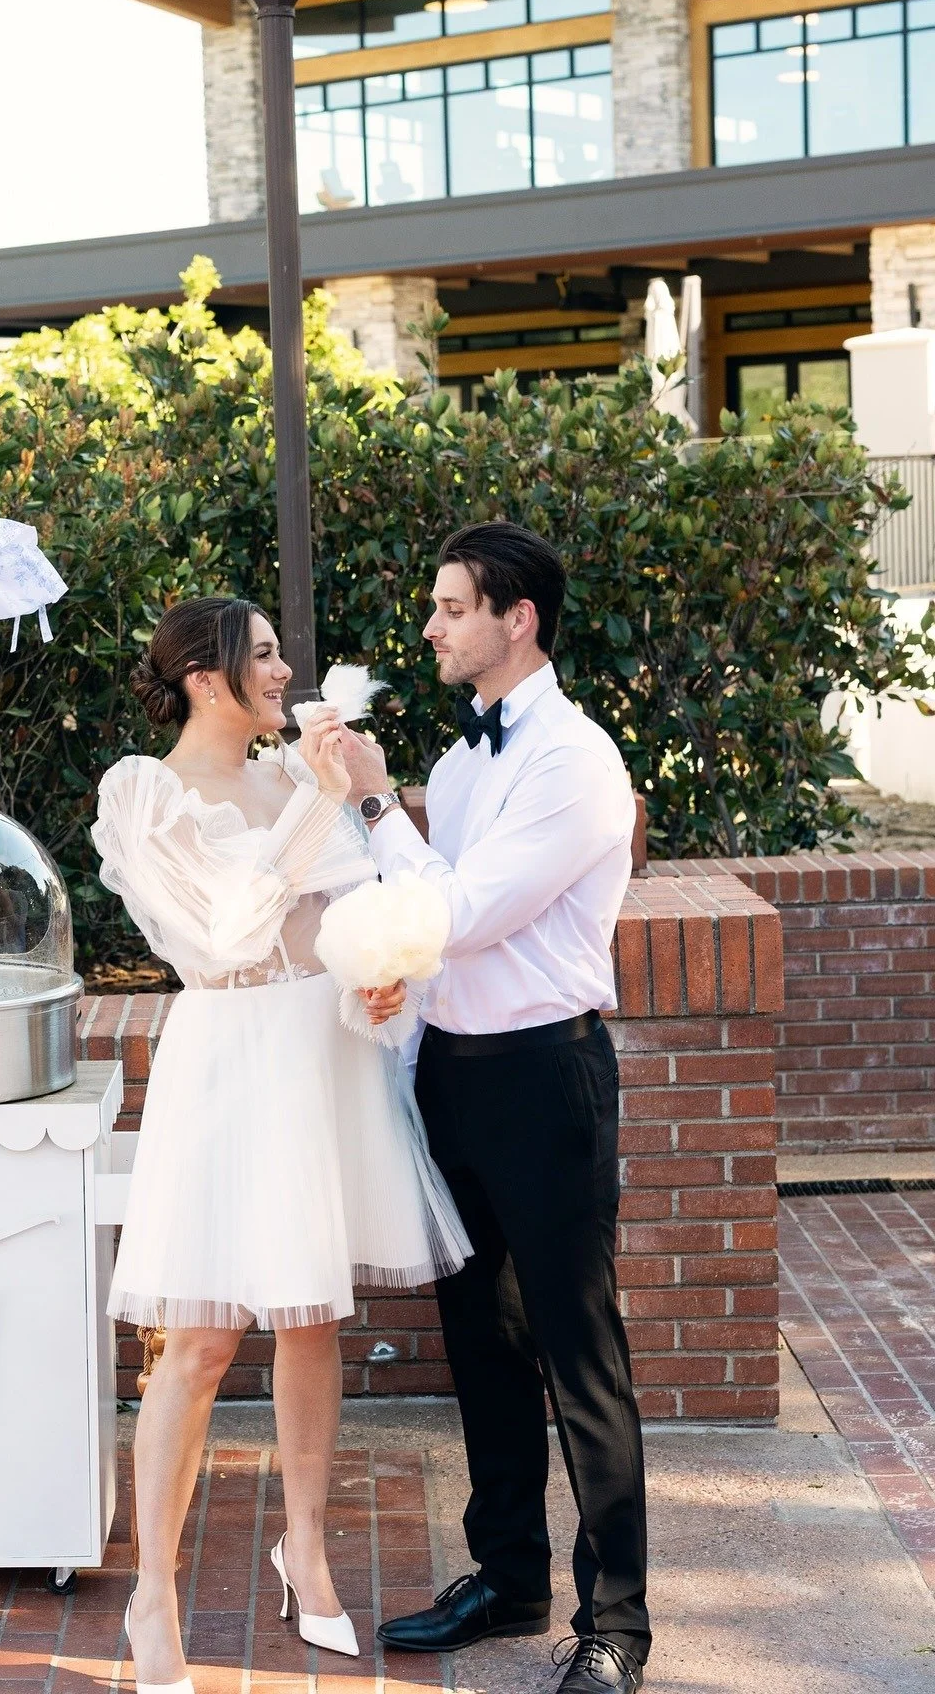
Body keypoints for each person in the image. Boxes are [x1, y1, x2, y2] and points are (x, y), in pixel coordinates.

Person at [91, 595, 470, 1694]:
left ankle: (303, 1546)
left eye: (277, 650)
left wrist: (376, 978)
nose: (283, 669)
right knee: (201, 1342)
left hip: (320, 1058)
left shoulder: (293, 781)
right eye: (260, 655)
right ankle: (152, 1594)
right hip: (229, 1066)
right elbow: (224, 933)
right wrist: (319, 795)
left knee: (310, 1319)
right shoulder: (144, 790)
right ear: (205, 678)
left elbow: (338, 924)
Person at [341, 521, 648, 1694]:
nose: (432, 626)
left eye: (452, 605)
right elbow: (433, 945)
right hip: (456, 1072)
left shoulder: (574, 761)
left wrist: (376, 809)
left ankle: (615, 1624)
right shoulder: (467, 767)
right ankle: (509, 1572)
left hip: (544, 1076)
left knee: (581, 1356)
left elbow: (459, 911)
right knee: (480, 1343)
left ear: (516, 618)